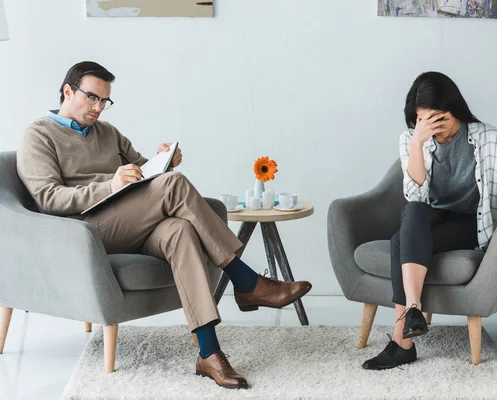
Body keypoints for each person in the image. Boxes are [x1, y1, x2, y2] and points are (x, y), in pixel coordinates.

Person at [17, 61, 312, 389]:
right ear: (67, 91)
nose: (99, 107)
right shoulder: (37, 135)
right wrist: (109, 187)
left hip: (131, 221)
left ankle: (209, 354)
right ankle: (246, 281)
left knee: (180, 230)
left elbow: (146, 173)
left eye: (105, 101)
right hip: (85, 231)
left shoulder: (109, 133)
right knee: (175, 186)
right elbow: (48, 199)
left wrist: (164, 160)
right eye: (92, 98)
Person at [362, 71, 497, 370]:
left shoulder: (489, 138)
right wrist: (417, 144)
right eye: (423, 120)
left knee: (398, 241)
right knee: (412, 212)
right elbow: (414, 195)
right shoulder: (412, 139)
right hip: (429, 219)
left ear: (454, 108)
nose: (433, 127)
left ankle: (402, 342)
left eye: (438, 118)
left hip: (469, 223)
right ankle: (413, 311)